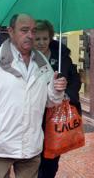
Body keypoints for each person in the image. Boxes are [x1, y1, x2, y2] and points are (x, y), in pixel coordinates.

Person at [0, 13, 67, 178]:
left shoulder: (41, 62)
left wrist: (56, 90)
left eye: (33, 31)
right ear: (11, 31)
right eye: (24, 30)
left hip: (31, 146)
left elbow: (49, 101)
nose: (30, 35)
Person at [33, 20, 82, 178]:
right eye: (37, 39)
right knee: (35, 155)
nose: (41, 43)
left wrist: (66, 94)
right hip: (35, 113)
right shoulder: (27, 57)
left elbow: (75, 79)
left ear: (51, 38)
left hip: (56, 115)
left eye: (45, 39)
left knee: (52, 156)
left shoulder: (62, 57)